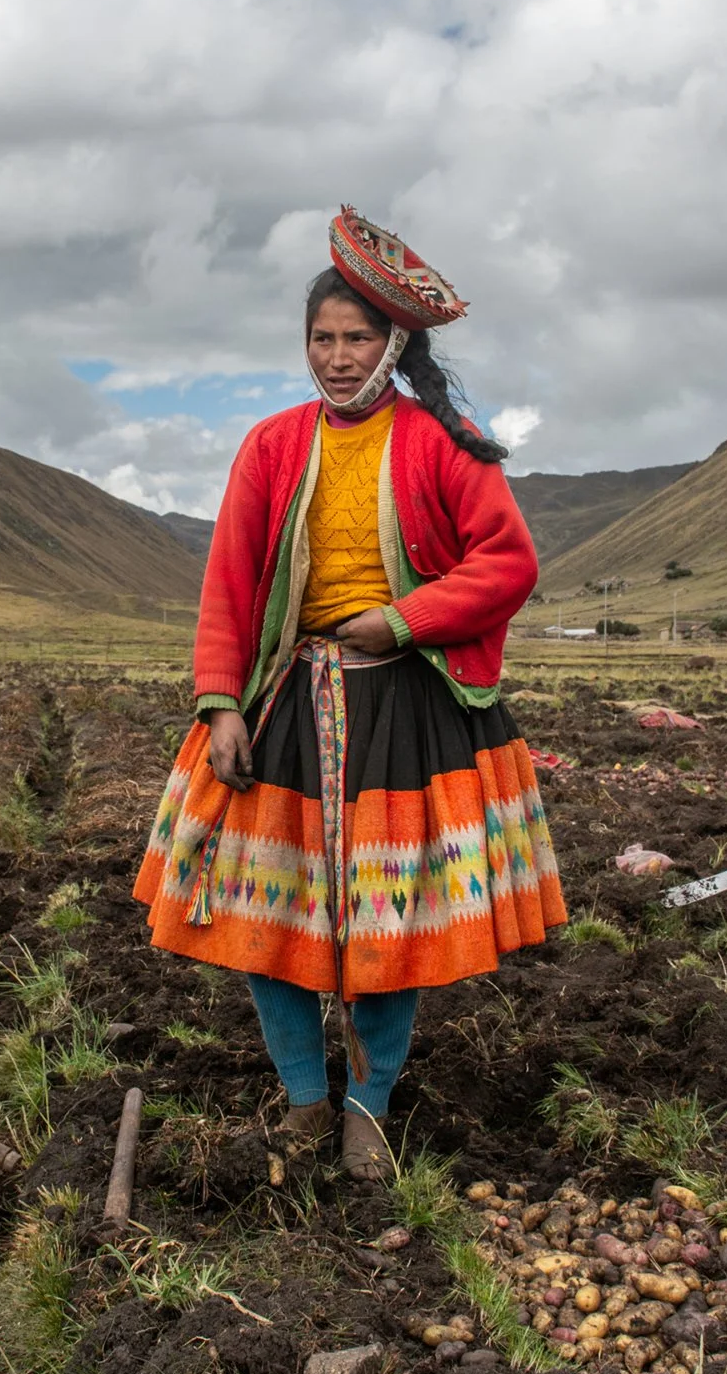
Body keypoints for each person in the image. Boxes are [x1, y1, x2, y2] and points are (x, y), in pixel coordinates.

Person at [136, 205, 567, 1182]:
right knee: (265, 921)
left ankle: (367, 1106)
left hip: (403, 711)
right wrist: (221, 704)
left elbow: (507, 561)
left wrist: (405, 619)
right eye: (321, 339)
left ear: (394, 342)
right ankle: (302, 1102)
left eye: (356, 338)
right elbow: (230, 586)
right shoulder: (272, 446)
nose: (336, 357)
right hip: (287, 703)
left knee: (389, 927)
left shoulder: (441, 445)